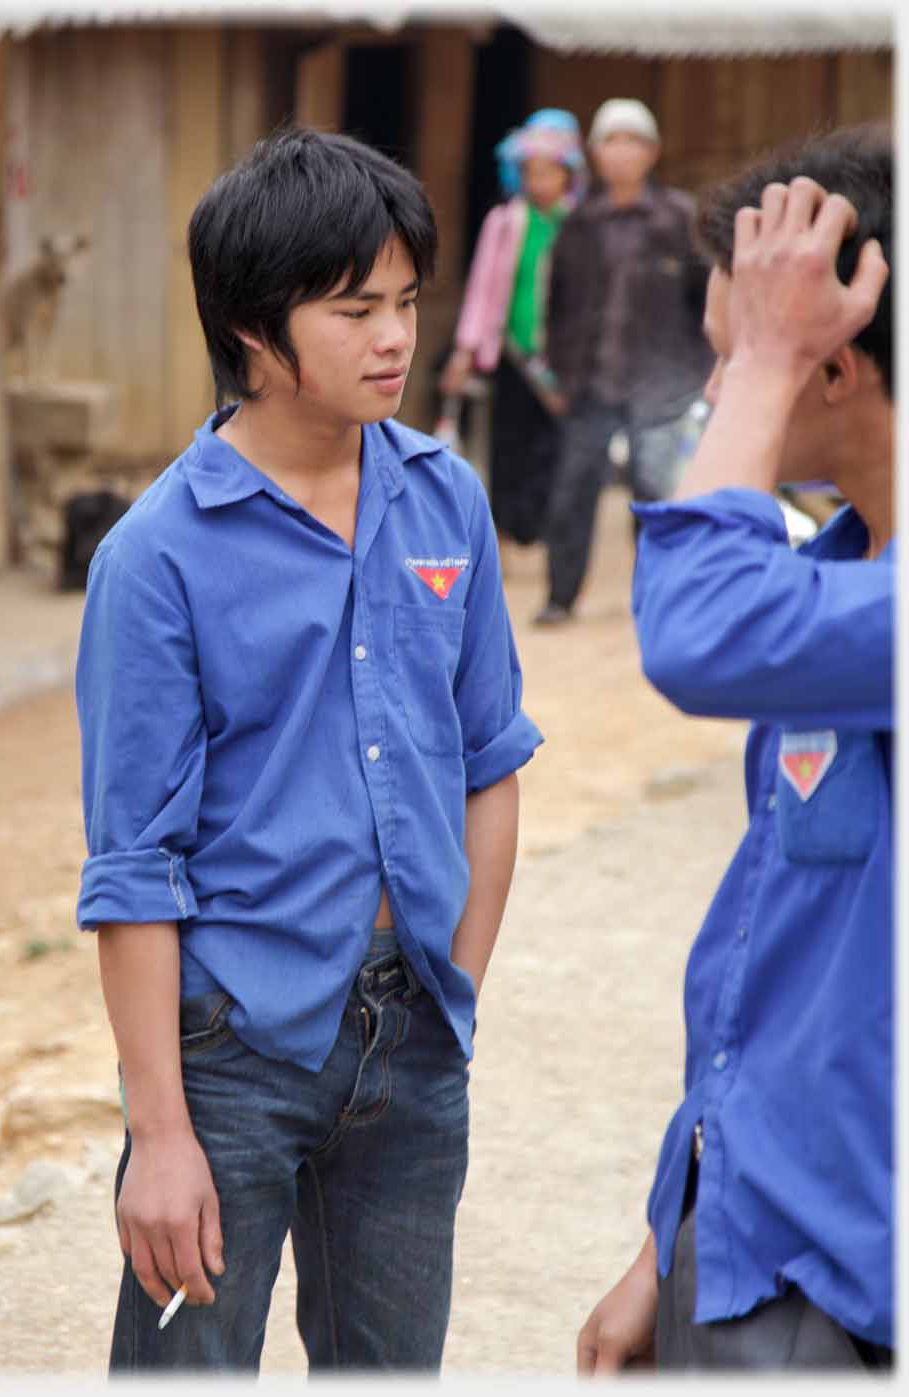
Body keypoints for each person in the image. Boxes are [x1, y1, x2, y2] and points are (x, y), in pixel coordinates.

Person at [73, 127, 543, 1374]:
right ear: (251, 329)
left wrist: (457, 986)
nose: (394, 337)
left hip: (417, 1040)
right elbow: (135, 866)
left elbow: (491, 759)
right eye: (352, 309)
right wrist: (158, 1132)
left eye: (404, 302)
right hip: (231, 1051)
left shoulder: (447, 497)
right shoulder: (157, 558)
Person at [577, 122, 893, 1373]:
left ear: (832, 368)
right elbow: (776, 962)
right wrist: (672, 1239)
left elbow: (695, 633)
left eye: (738, 359)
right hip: (757, 1233)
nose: (718, 394)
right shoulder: (833, 579)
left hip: (858, 1278)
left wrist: (765, 351)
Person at [535, 98, 712, 624]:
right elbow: (558, 303)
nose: (621, 152)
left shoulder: (680, 218)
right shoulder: (578, 222)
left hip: (662, 386)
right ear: (594, 153)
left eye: (632, 141)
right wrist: (559, 373)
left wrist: (698, 375)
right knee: (571, 492)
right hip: (589, 381)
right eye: (610, 141)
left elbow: (707, 301)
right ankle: (559, 598)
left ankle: (655, 601)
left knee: (654, 496)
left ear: (652, 151)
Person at [439, 108, 585, 563]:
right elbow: (484, 288)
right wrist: (465, 349)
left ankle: (539, 527)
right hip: (511, 351)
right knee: (508, 439)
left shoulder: (580, 225)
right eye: (531, 172)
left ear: (569, 175)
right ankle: (504, 526)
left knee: (554, 442)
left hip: (563, 355)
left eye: (550, 172)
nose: (540, 181)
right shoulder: (505, 222)